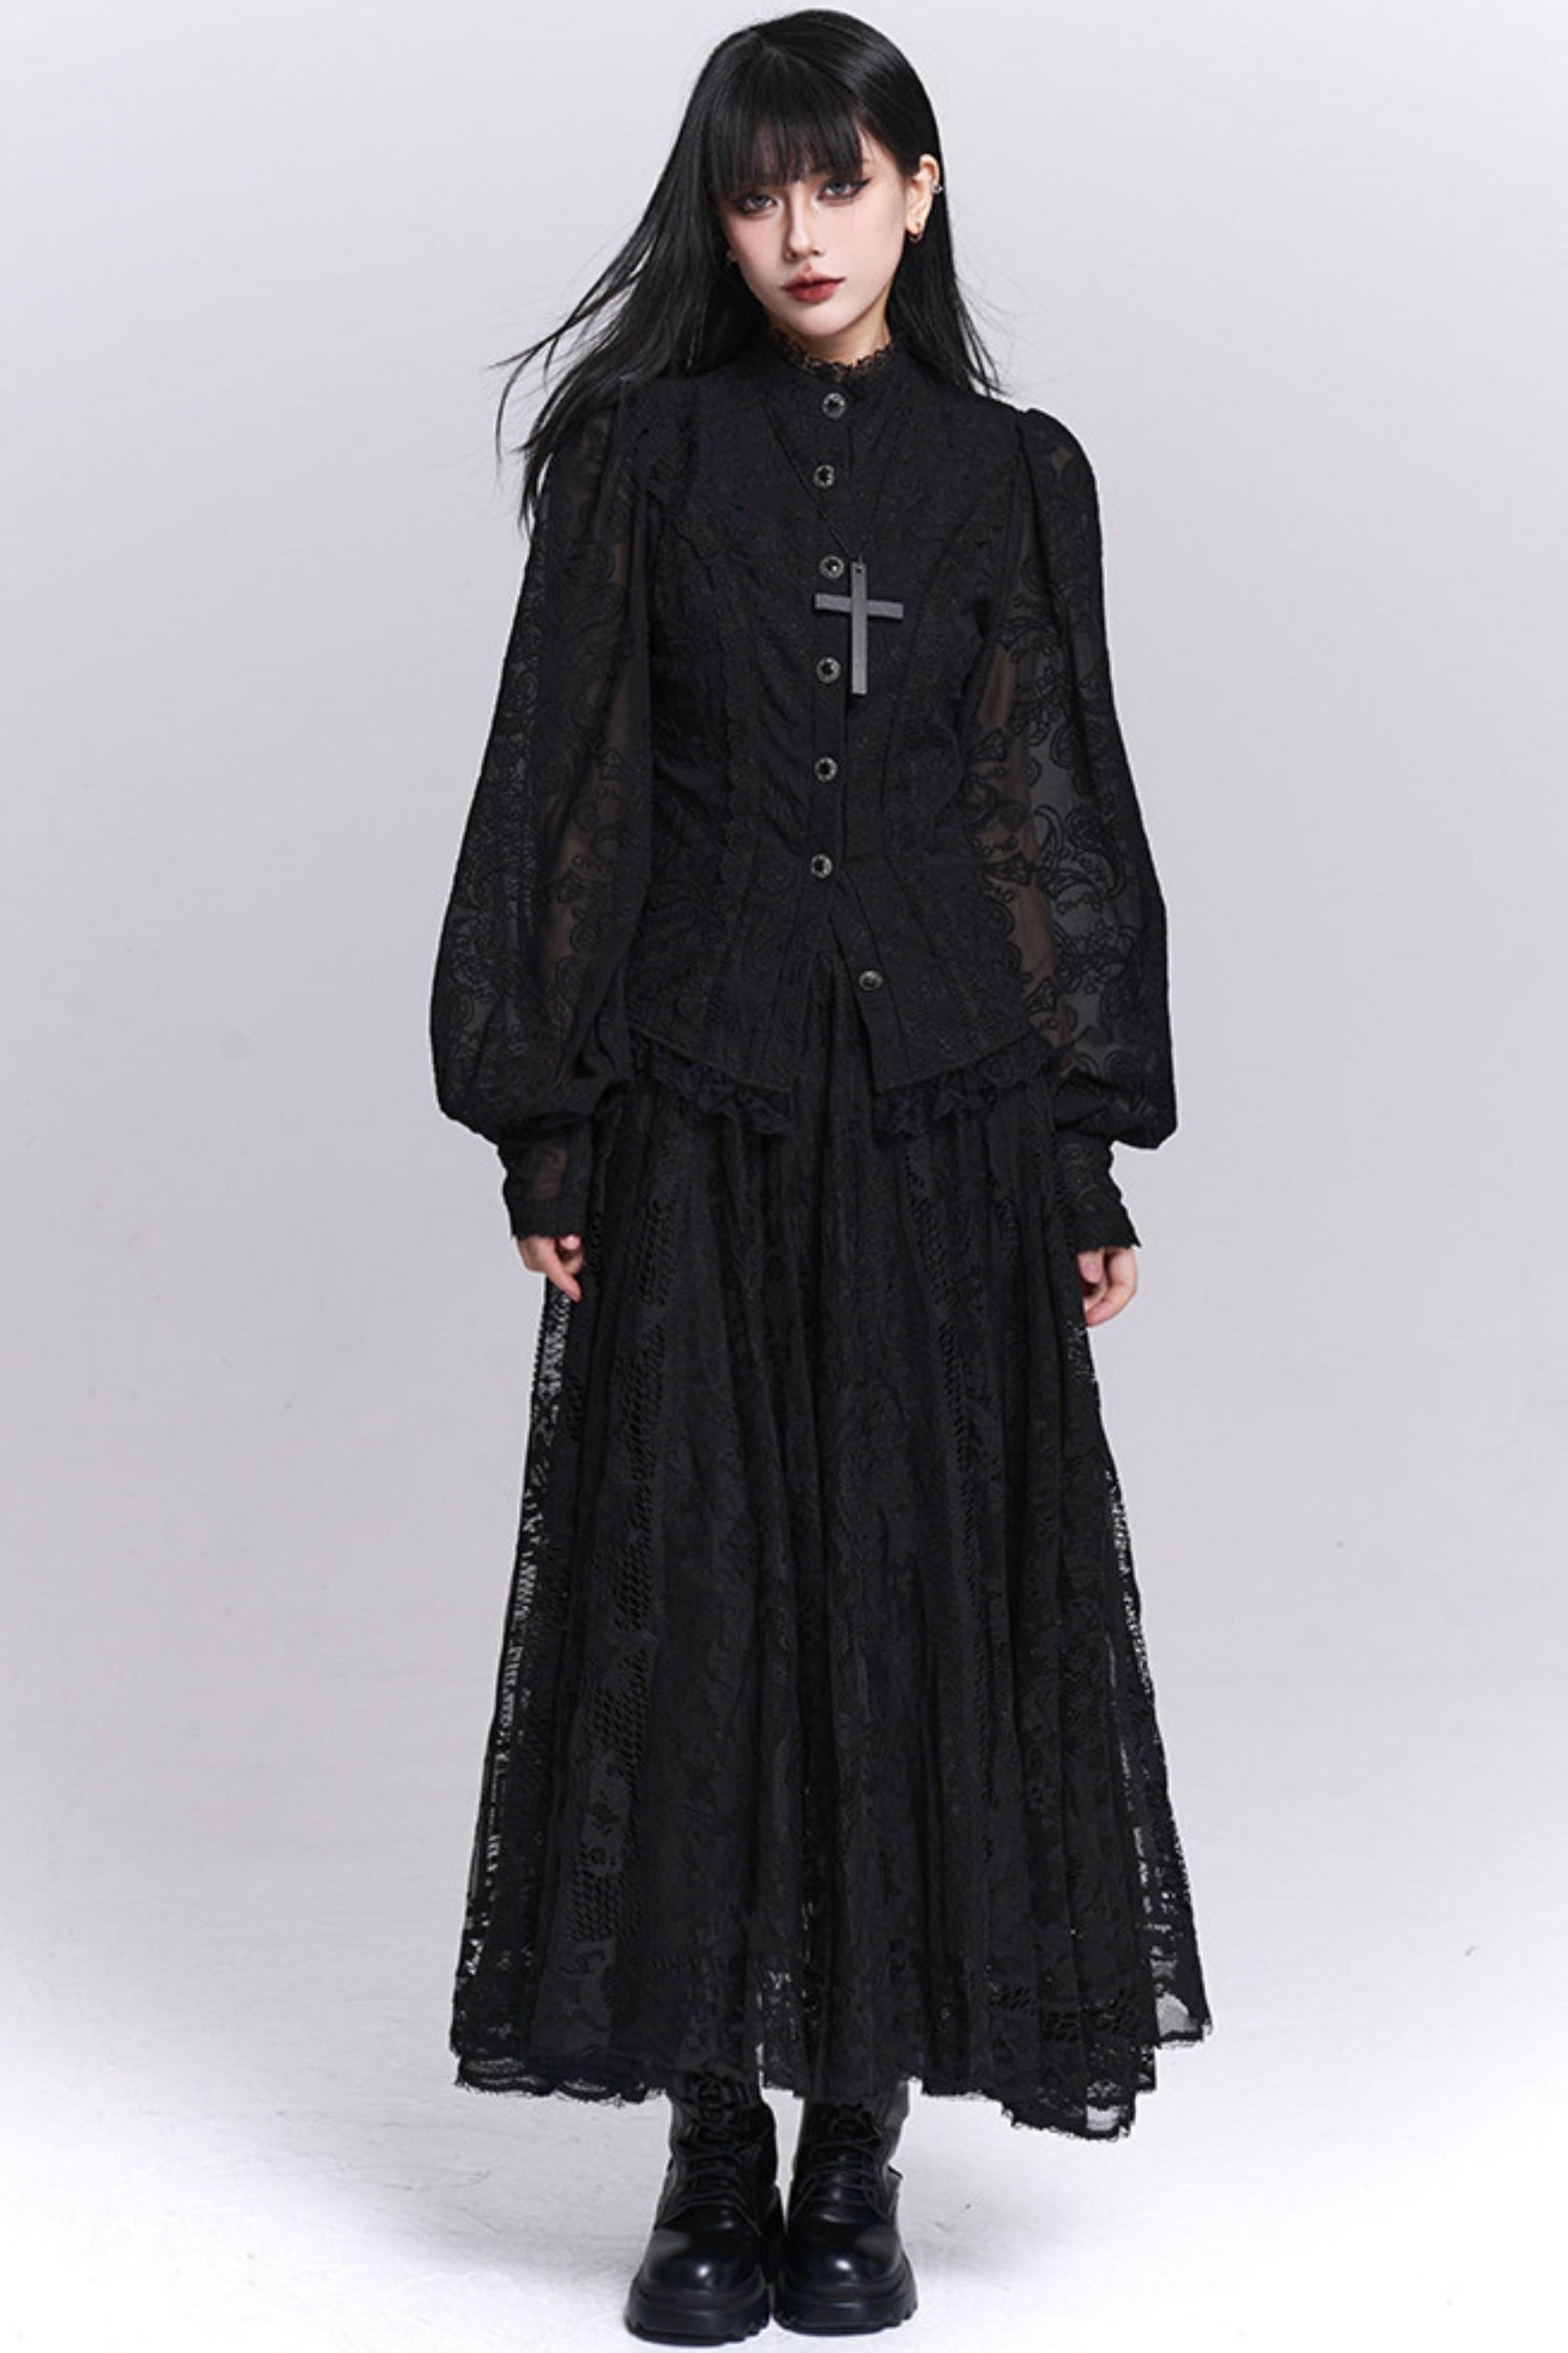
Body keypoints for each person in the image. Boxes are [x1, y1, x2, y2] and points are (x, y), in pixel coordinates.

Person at [428, 9, 1213, 2340]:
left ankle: (854, 2145)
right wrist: (547, 1113)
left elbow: (1044, 803)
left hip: (947, 1112)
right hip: (702, 1094)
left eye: (839, 183)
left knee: (910, 1588)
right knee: (697, 1591)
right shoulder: (641, 460)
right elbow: (562, 784)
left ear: (917, 190)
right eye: (759, 190)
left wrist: (1078, 1149)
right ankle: (707, 2150)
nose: (798, 232)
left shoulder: (1015, 476)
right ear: (719, 207)